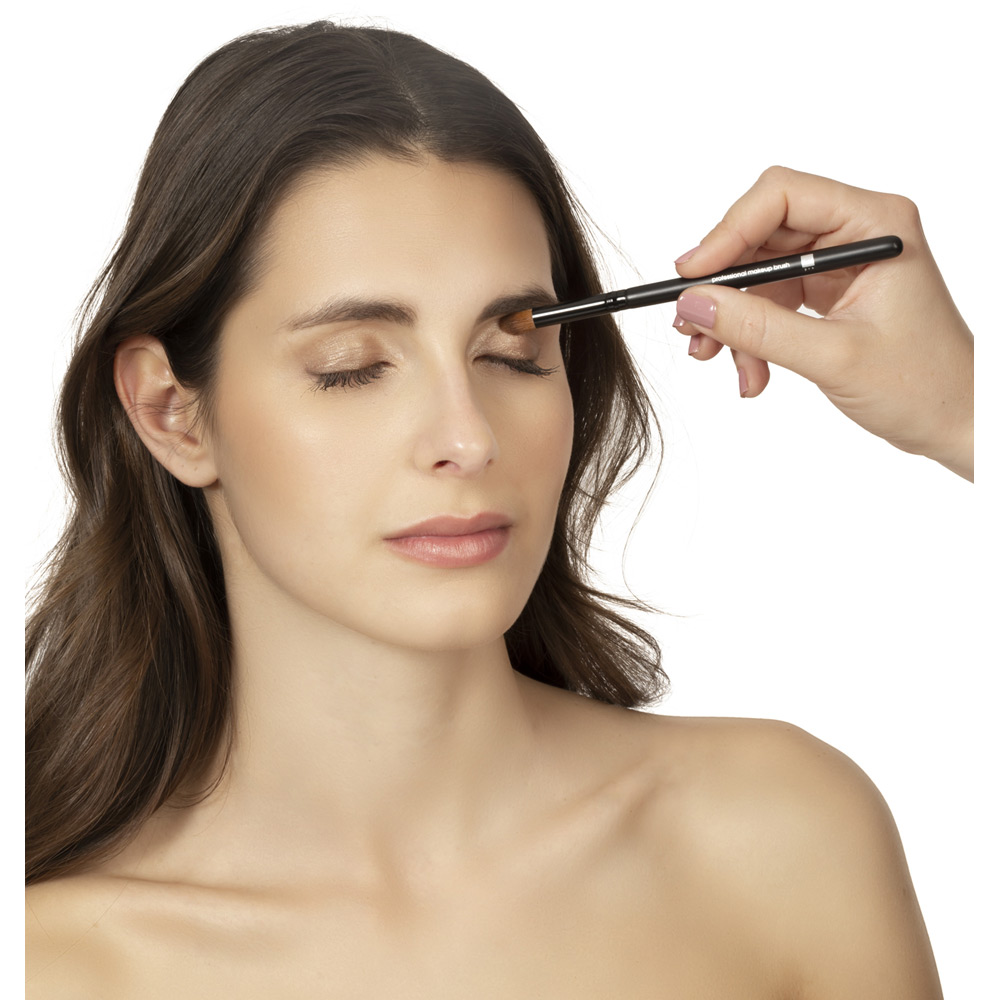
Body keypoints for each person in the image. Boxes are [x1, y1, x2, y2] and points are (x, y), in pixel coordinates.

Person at [25, 21, 970, 998]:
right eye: (353, 368)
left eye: (513, 353)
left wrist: (965, 411)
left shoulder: (783, 841)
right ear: (170, 412)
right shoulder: (56, 964)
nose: (467, 436)